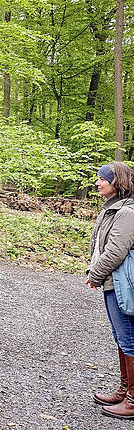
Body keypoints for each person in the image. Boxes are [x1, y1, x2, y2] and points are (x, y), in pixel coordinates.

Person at [85, 162, 134, 419]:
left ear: (117, 181)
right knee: (121, 336)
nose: (97, 183)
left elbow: (115, 250)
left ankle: (133, 400)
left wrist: (95, 274)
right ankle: (125, 390)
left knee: (128, 339)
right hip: (113, 281)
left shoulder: (126, 212)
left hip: (121, 283)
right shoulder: (113, 209)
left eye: (102, 178)